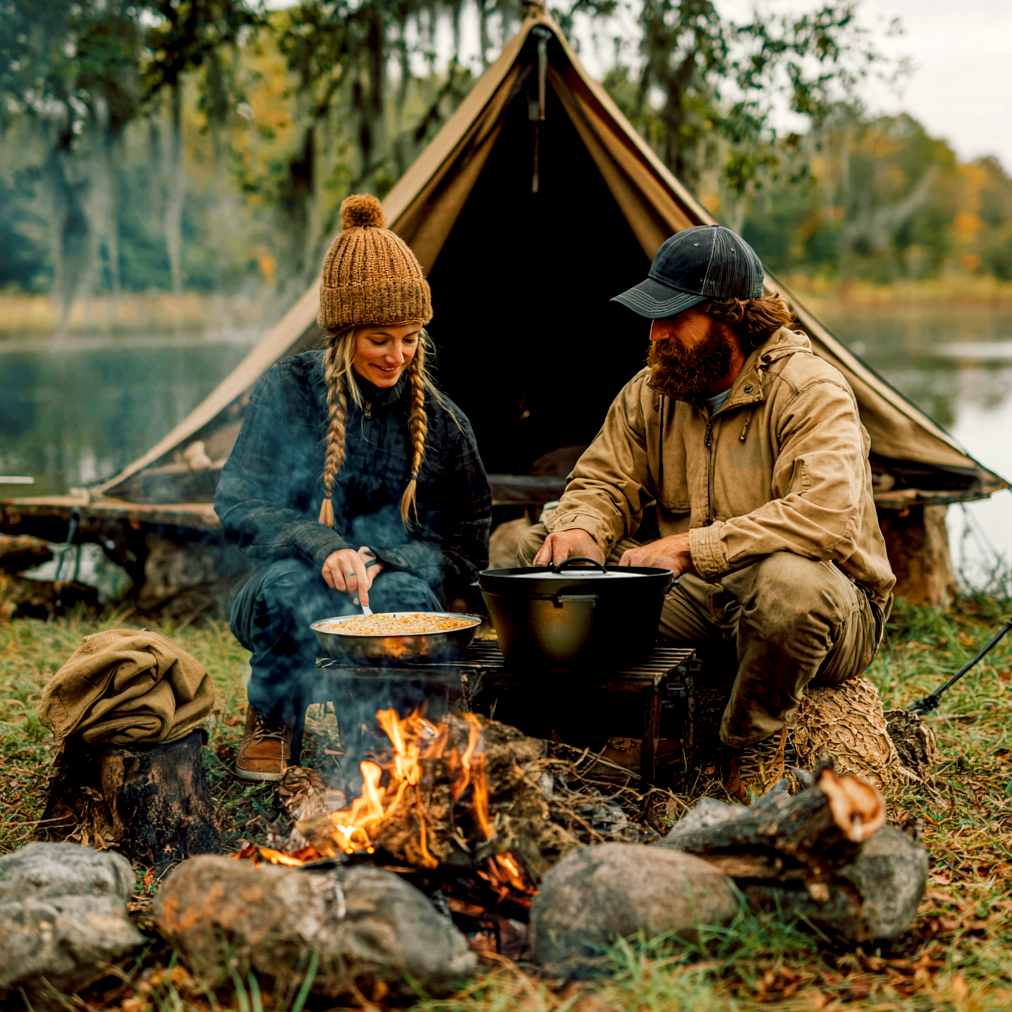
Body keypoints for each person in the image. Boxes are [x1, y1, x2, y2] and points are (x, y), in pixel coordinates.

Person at [518, 224, 896, 802]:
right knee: (538, 559)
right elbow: (603, 479)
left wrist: (692, 546)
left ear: (732, 319)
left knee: (789, 586)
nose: (655, 334)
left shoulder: (811, 389)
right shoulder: (654, 389)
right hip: (703, 600)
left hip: (829, 610)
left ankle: (749, 744)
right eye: (652, 317)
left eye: (674, 318)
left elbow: (825, 516)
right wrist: (582, 528)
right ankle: (591, 729)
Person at [216, 194, 492, 781]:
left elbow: (466, 544)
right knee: (290, 589)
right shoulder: (287, 391)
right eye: (380, 340)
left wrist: (385, 559)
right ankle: (272, 716)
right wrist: (321, 544)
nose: (398, 356)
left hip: (390, 585)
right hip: (284, 585)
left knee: (407, 605)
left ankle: (389, 735)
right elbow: (237, 502)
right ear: (345, 334)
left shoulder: (442, 422)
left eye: (410, 339)